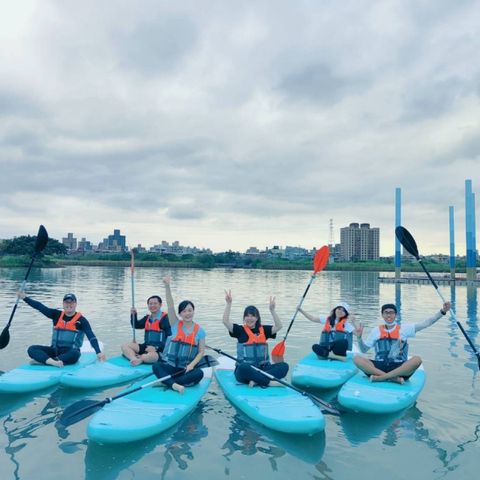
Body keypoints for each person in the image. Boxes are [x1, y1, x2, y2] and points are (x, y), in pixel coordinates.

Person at [354, 301, 451, 384]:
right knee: (357, 359)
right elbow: (364, 350)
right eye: (386, 312)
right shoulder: (376, 330)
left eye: (391, 312)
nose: (388, 315)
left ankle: (381, 377)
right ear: (382, 315)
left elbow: (426, 323)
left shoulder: (405, 329)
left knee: (417, 360)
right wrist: (359, 338)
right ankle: (392, 378)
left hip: (399, 367)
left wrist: (442, 311)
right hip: (380, 366)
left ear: (396, 314)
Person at [17, 291, 106, 368]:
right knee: (32, 349)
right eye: (66, 302)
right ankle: (53, 362)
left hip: (69, 353)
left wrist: (98, 352)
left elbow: (91, 336)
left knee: (76, 354)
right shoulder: (56, 315)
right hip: (54, 351)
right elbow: (40, 307)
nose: (69, 305)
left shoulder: (82, 321)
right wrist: (25, 298)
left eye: (71, 302)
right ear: (63, 304)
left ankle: (45, 361)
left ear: (75, 304)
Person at [222, 290, 288, 387]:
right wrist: (229, 304)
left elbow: (279, 326)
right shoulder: (239, 330)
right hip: (245, 372)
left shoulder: (263, 330)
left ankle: (257, 380)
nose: (250, 318)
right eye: (247, 316)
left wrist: (272, 310)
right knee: (243, 367)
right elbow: (225, 321)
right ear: (244, 318)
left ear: (257, 318)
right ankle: (269, 382)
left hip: (263, 368)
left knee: (284, 366)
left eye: (253, 316)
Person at [152, 276, 206, 394]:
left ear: (193, 311)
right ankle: (175, 384)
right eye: (184, 311)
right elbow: (170, 306)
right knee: (156, 366)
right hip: (171, 366)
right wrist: (167, 286)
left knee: (199, 373)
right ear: (180, 314)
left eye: (190, 310)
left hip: (186, 369)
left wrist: (191, 365)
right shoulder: (175, 324)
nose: (187, 313)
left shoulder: (200, 331)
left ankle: (168, 382)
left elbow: (201, 351)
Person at [121, 295, 171, 366]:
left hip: (159, 350)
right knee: (124, 346)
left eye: (155, 303)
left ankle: (141, 359)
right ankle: (134, 358)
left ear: (160, 305)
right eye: (150, 304)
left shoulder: (165, 319)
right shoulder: (147, 318)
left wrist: (156, 349)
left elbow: (171, 338)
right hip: (146, 347)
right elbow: (135, 325)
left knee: (152, 356)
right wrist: (133, 315)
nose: (152, 305)